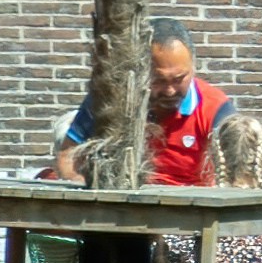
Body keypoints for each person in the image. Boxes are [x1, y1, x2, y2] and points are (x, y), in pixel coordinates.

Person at [44, 21, 225, 185]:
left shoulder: (215, 108)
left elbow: (237, 175)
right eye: (158, 80)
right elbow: (68, 155)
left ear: (193, 66)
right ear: (140, 71)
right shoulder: (109, 98)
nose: (170, 90)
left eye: (179, 79)